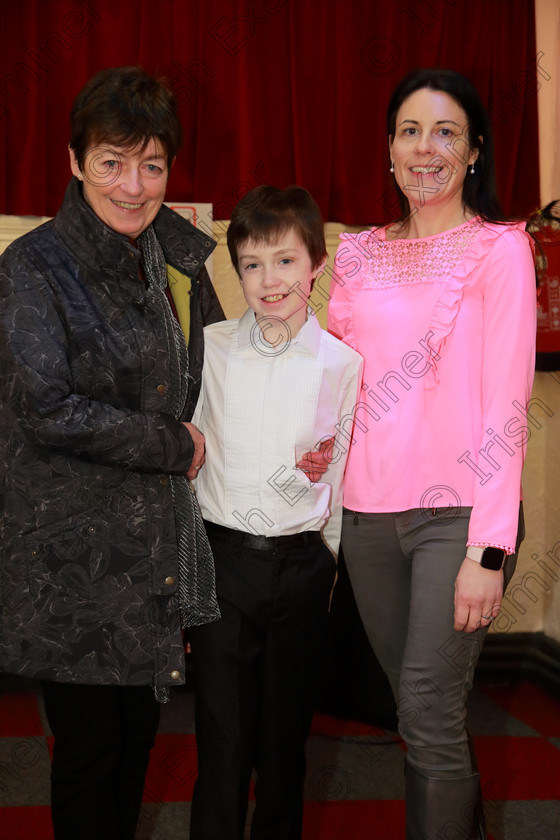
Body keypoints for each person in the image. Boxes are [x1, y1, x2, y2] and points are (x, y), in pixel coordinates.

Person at [0, 66, 222, 839]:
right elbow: (44, 407)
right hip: (75, 567)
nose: (134, 185)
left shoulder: (178, 261)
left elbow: (214, 378)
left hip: (154, 557)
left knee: (137, 746)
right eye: (112, 162)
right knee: (92, 752)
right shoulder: (31, 270)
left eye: (152, 164)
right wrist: (174, 442)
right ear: (73, 160)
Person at [328, 68, 536, 840]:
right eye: (410, 131)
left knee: (426, 702)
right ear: (388, 151)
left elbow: (508, 406)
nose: (426, 148)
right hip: (368, 518)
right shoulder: (355, 255)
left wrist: (490, 546)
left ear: (474, 151)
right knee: (420, 713)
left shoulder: (501, 251)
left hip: (458, 519)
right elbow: (334, 384)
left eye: (446, 132)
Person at [188, 185, 363, 840]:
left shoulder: (342, 364)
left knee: (286, 748)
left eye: (286, 261)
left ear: (316, 262)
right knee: (222, 743)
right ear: (236, 270)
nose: (270, 280)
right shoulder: (209, 348)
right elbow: (191, 452)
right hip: (223, 565)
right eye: (253, 264)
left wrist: (330, 568)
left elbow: (337, 477)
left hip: (302, 569)